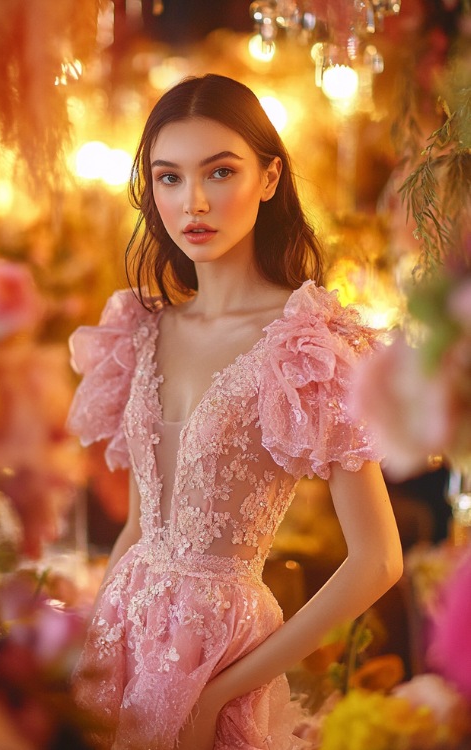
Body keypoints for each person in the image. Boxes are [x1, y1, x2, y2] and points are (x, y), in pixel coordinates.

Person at [67, 74, 403, 750]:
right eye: (169, 178)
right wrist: (90, 653)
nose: (192, 202)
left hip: (219, 651)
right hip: (116, 644)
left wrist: (225, 689)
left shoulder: (306, 344)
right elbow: (140, 526)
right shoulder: (140, 328)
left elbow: (379, 561)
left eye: (219, 171)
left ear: (270, 177)